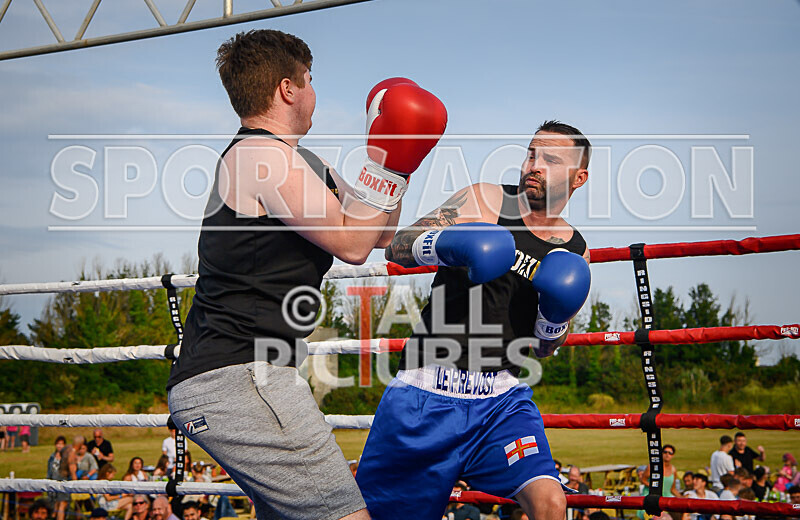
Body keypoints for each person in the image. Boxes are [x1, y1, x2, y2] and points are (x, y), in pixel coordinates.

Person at [166, 29, 447, 520]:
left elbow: (377, 234)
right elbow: (353, 245)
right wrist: (389, 161)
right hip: (240, 376)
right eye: (310, 80)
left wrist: (392, 160)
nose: (315, 91)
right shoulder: (259, 157)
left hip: (246, 376)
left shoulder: (302, 164)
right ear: (288, 89)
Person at [357, 121, 592, 520]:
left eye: (551, 159)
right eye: (532, 154)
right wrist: (450, 244)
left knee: (551, 502)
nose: (534, 165)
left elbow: (545, 348)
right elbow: (396, 248)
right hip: (426, 391)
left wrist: (554, 321)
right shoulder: (484, 201)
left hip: (501, 401)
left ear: (578, 177)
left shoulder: (576, 250)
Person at [47, 436, 69, 511]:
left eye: (61, 444)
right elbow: (49, 470)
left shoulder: (67, 456)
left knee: (61, 505)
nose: (59, 446)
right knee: (53, 505)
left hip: (63, 483)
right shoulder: (52, 457)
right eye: (58, 444)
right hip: (52, 482)